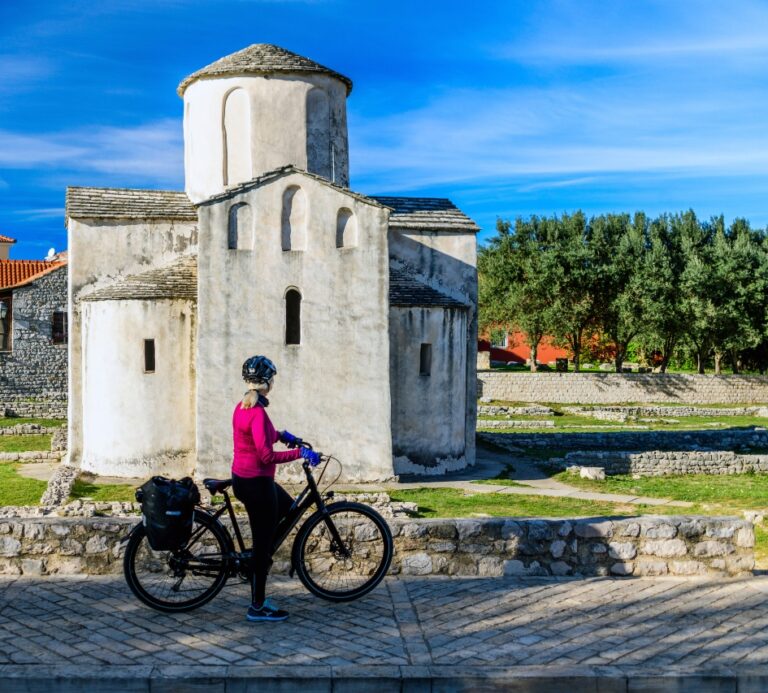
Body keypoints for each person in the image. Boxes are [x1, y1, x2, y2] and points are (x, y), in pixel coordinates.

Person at [232, 355, 320, 622]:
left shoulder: (244, 406)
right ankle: (257, 606)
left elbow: (263, 435)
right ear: (267, 382)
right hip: (256, 485)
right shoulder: (257, 412)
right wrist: (300, 453)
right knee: (262, 547)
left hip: (247, 480)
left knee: (288, 507)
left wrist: (285, 437)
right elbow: (266, 455)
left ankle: (261, 556)